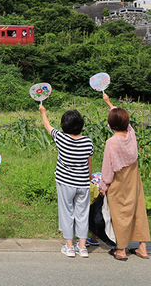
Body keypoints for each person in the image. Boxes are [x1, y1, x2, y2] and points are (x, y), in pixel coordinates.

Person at [99, 93, 150, 261]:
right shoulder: (131, 134)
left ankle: (121, 249)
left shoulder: (112, 142)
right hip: (134, 178)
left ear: (110, 124)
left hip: (119, 181)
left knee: (120, 212)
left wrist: (103, 187)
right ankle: (143, 247)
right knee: (137, 209)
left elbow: (108, 170)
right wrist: (109, 103)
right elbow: (122, 119)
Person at [39, 104, 93, 258]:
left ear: (64, 125)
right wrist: (89, 178)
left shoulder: (61, 138)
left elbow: (48, 126)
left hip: (65, 183)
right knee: (82, 214)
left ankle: (70, 247)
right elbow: (89, 165)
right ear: (81, 125)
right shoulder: (88, 142)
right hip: (83, 184)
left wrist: (43, 111)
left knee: (66, 213)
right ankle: (82, 247)